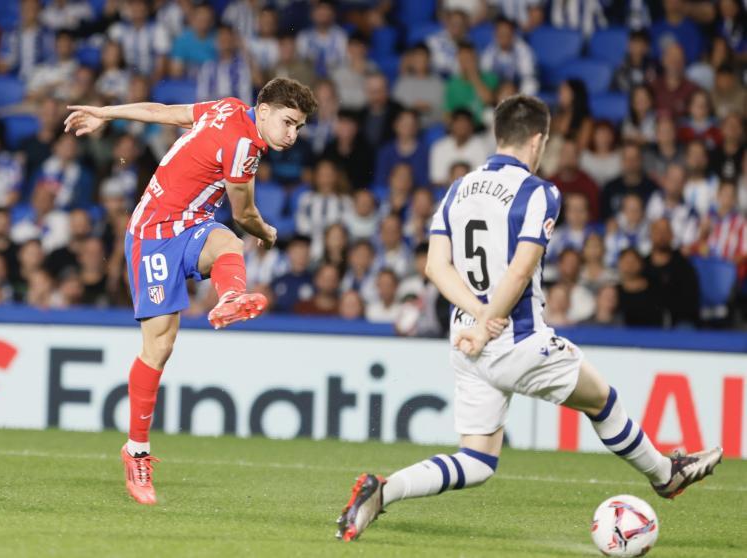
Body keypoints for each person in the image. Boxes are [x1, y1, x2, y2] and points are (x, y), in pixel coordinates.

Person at [335, 94, 723, 542]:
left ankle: (383, 490)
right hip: (515, 339)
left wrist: (478, 319)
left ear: (498, 134)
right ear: (538, 140)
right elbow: (519, 271)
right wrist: (488, 324)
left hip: (466, 339)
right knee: (602, 401)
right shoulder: (540, 192)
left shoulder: (458, 188)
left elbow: (435, 267)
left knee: (477, 460)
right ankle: (665, 475)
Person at [64, 78, 317, 506]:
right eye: (288, 122)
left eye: (299, 127)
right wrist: (268, 232)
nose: (292, 135)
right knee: (159, 348)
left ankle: (231, 296)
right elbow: (244, 213)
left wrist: (105, 112)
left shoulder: (227, 108)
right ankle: (136, 452)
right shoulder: (245, 146)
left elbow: (164, 112)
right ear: (264, 111)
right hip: (153, 235)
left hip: (192, 225)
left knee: (227, 243)